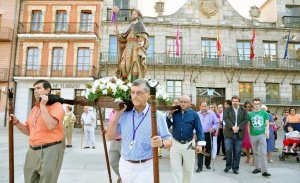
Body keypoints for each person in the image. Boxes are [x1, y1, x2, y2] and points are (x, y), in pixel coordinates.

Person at [107, 79, 172, 183]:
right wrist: (117, 114)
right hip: (125, 165)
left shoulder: (157, 115)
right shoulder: (124, 114)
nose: (135, 96)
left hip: (145, 168)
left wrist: (162, 143)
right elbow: (110, 137)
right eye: (132, 92)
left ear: (148, 94)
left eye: (139, 93)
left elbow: (169, 141)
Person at [9, 79, 65, 183]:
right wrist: (17, 123)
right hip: (32, 151)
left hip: (50, 150)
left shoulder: (57, 106)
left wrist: (43, 106)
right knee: (29, 180)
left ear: (47, 90)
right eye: (34, 88)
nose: (35, 91)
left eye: (38, 88)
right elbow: (29, 131)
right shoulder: (34, 109)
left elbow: (51, 125)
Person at [167, 95, 205, 183]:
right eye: (181, 102)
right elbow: (167, 126)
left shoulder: (194, 114)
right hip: (175, 144)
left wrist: (200, 145)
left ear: (190, 104)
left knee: (188, 169)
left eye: (185, 102)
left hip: (189, 145)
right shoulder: (174, 113)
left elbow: (199, 130)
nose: (183, 104)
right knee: (175, 168)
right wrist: (169, 115)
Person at [116, 8, 149, 82]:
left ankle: (134, 83)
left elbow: (143, 35)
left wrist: (143, 41)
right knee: (123, 64)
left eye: (135, 14)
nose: (133, 15)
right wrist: (118, 34)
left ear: (138, 15)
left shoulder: (140, 25)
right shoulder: (130, 26)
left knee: (135, 65)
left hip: (135, 47)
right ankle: (125, 83)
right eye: (132, 14)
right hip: (127, 47)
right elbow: (124, 38)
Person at [223, 96, 248, 174]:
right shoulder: (227, 109)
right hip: (229, 133)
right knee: (228, 151)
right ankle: (228, 166)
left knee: (237, 152)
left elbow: (245, 120)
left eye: (236, 101)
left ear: (239, 102)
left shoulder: (243, 110)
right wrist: (232, 127)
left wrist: (239, 127)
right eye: (233, 101)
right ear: (232, 102)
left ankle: (235, 168)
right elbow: (225, 118)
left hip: (239, 134)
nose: (235, 102)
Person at [248, 98, 271, 177]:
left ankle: (264, 171)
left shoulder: (264, 113)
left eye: (258, 104)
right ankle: (258, 168)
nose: (256, 105)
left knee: (263, 153)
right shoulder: (250, 114)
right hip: (253, 135)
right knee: (255, 152)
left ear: (260, 104)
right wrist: (249, 134)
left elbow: (267, 124)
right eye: (255, 104)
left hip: (262, 134)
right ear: (253, 105)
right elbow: (248, 124)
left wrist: (267, 132)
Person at [197, 101, 219, 172]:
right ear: (200, 107)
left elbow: (216, 122)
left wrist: (213, 128)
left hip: (208, 134)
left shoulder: (211, 114)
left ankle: (207, 164)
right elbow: (194, 124)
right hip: (200, 134)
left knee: (208, 149)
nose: (204, 107)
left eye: (205, 106)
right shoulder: (197, 114)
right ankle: (199, 167)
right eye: (202, 106)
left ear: (207, 106)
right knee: (200, 150)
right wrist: (194, 133)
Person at [108, 109, 122, 183]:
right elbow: (111, 124)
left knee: (125, 163)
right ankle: (121, 176)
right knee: (113, 161)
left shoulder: (125, 111)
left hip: (124, 140)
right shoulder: (112, 112)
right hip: (114, 140)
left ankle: (123, 178)